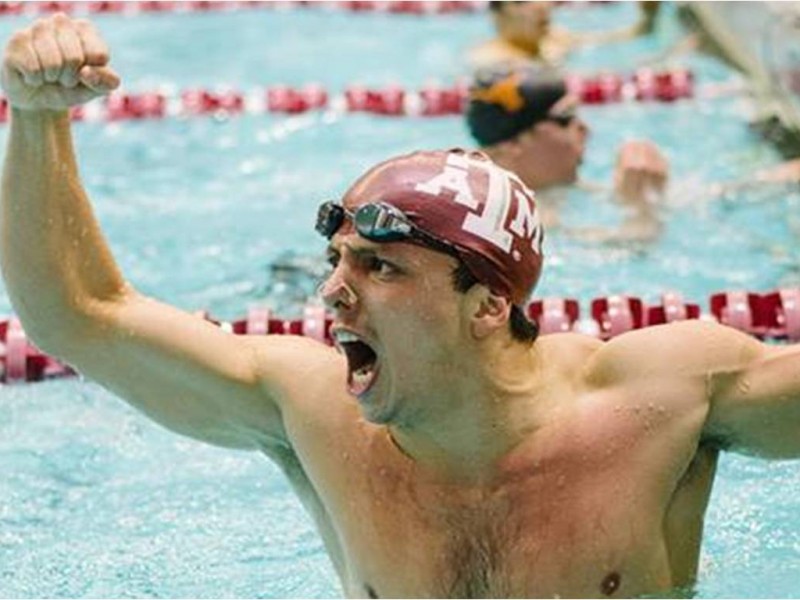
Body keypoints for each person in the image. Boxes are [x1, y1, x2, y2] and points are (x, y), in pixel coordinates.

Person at [3, 14, 800, 599]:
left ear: (487, 304)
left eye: (379, 266)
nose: (332, 292)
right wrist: (37, 117)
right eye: (336, 259)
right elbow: (80, 313)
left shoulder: (656, 402)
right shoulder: (314, 414)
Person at [466, 65, 669, 242]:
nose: (585, 129)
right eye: (566, 118)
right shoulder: (513, 225)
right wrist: (641, 209)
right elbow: (627, 250)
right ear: (512, 144)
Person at [468, 1, 662, 71]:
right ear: (497, 17)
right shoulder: (491, 61)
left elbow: (624, 38)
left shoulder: (555, 39)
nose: (541, 5)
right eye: (522, 1)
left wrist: (648, 16)